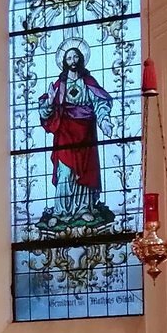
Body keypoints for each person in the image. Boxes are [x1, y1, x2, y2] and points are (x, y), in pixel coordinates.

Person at [37, 40, 114, 230]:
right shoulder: (59, 85)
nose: (72, 61)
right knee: (64, 172)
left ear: (81, 59)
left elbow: (100, 103)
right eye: (69, 58)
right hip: (65, 133)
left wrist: (104, 121)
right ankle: (61, 212)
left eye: (75, 57)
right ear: (64, 61)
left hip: (85, 132)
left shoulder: (88, 82)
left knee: (85, 171)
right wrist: (49, 103)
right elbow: (46, 112)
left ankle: (83, 209)